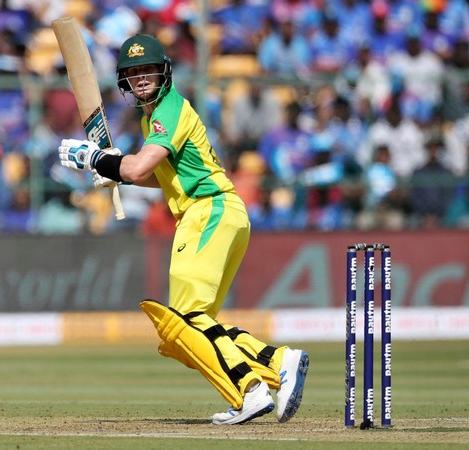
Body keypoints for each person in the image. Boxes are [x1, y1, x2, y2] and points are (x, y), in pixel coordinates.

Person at [57, 34, 309, 425]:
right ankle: (277, 362)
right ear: (124, 81)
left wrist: (96, 159)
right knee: (197, 328)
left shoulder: (168, 110)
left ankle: (251, 390)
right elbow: (158, 177)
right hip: (222, 213)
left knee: (186, 321)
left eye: (147, 70)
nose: (141, 78)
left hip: (207, 212)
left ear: (165, 72)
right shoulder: (152, 117)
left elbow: (138, 166)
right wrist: (113, 172)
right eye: (133, 73)